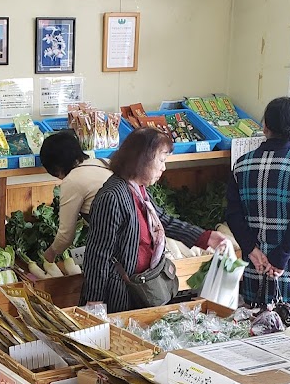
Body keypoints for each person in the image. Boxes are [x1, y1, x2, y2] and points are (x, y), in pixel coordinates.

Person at [80, 128, 227, 311]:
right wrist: (95, 300)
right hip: (118, 294)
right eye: (161, 160)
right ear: (142, 160)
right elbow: (98, 253)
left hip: (141, 286)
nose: (164, 168)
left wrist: (205, 238)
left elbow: (163, 220)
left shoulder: (137, 188)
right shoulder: (113, 196)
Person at [226, 96, 290, 322]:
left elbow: (233, 215)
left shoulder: (242, 164)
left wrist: (252, 250)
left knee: (256, 328)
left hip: (256, 264)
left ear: (265, 125)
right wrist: (280, 257)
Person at [39, 130, 113, 263]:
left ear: (56, 168)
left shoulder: (72, 180)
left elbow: (66, 235)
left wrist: (50, 254)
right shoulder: (105, 162)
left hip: (114, 244)